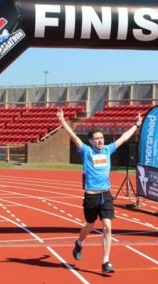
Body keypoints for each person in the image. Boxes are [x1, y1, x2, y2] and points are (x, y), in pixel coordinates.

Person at [57, 108, 142, 274]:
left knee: (108, 227)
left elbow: (124, 138)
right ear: (90, 141)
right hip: (91, 196)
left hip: (105, 195)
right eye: (96, 139)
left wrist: (136, 125)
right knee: (90, 225)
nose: (100, 141)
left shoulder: (108, 150)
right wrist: (62, 121)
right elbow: (74, 136)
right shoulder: (86, 151)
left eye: (101, 138)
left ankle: (106, 261)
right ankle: (79, 242)